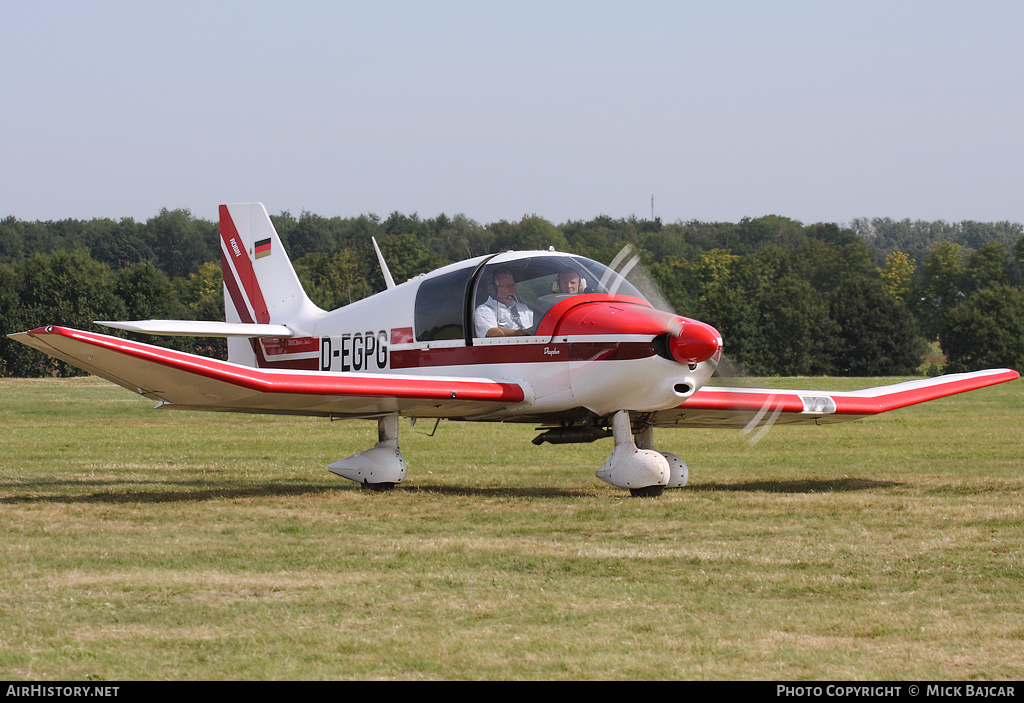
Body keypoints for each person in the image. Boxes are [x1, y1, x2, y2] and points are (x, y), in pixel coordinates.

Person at [474, 269, 534, 337]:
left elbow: (540, 324)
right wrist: (522, 333)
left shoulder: (523, 308)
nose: (512, 290)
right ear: (493, 289)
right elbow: (492, 333)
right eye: (507, 286)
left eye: (513, 286)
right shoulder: (484, 311)